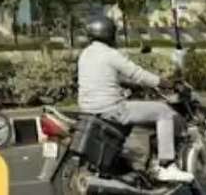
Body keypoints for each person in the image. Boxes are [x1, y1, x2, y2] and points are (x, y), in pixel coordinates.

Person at [78, 17, 193, 184]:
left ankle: (143, 162)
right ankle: (166, 166)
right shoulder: (110, 54)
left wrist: (129, 85)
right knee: (164, 112)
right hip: (112, 108)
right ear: (109, 34)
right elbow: (137, 74)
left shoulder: (86, 54)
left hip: (90, 109)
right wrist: (166, 84)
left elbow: (103, 77)